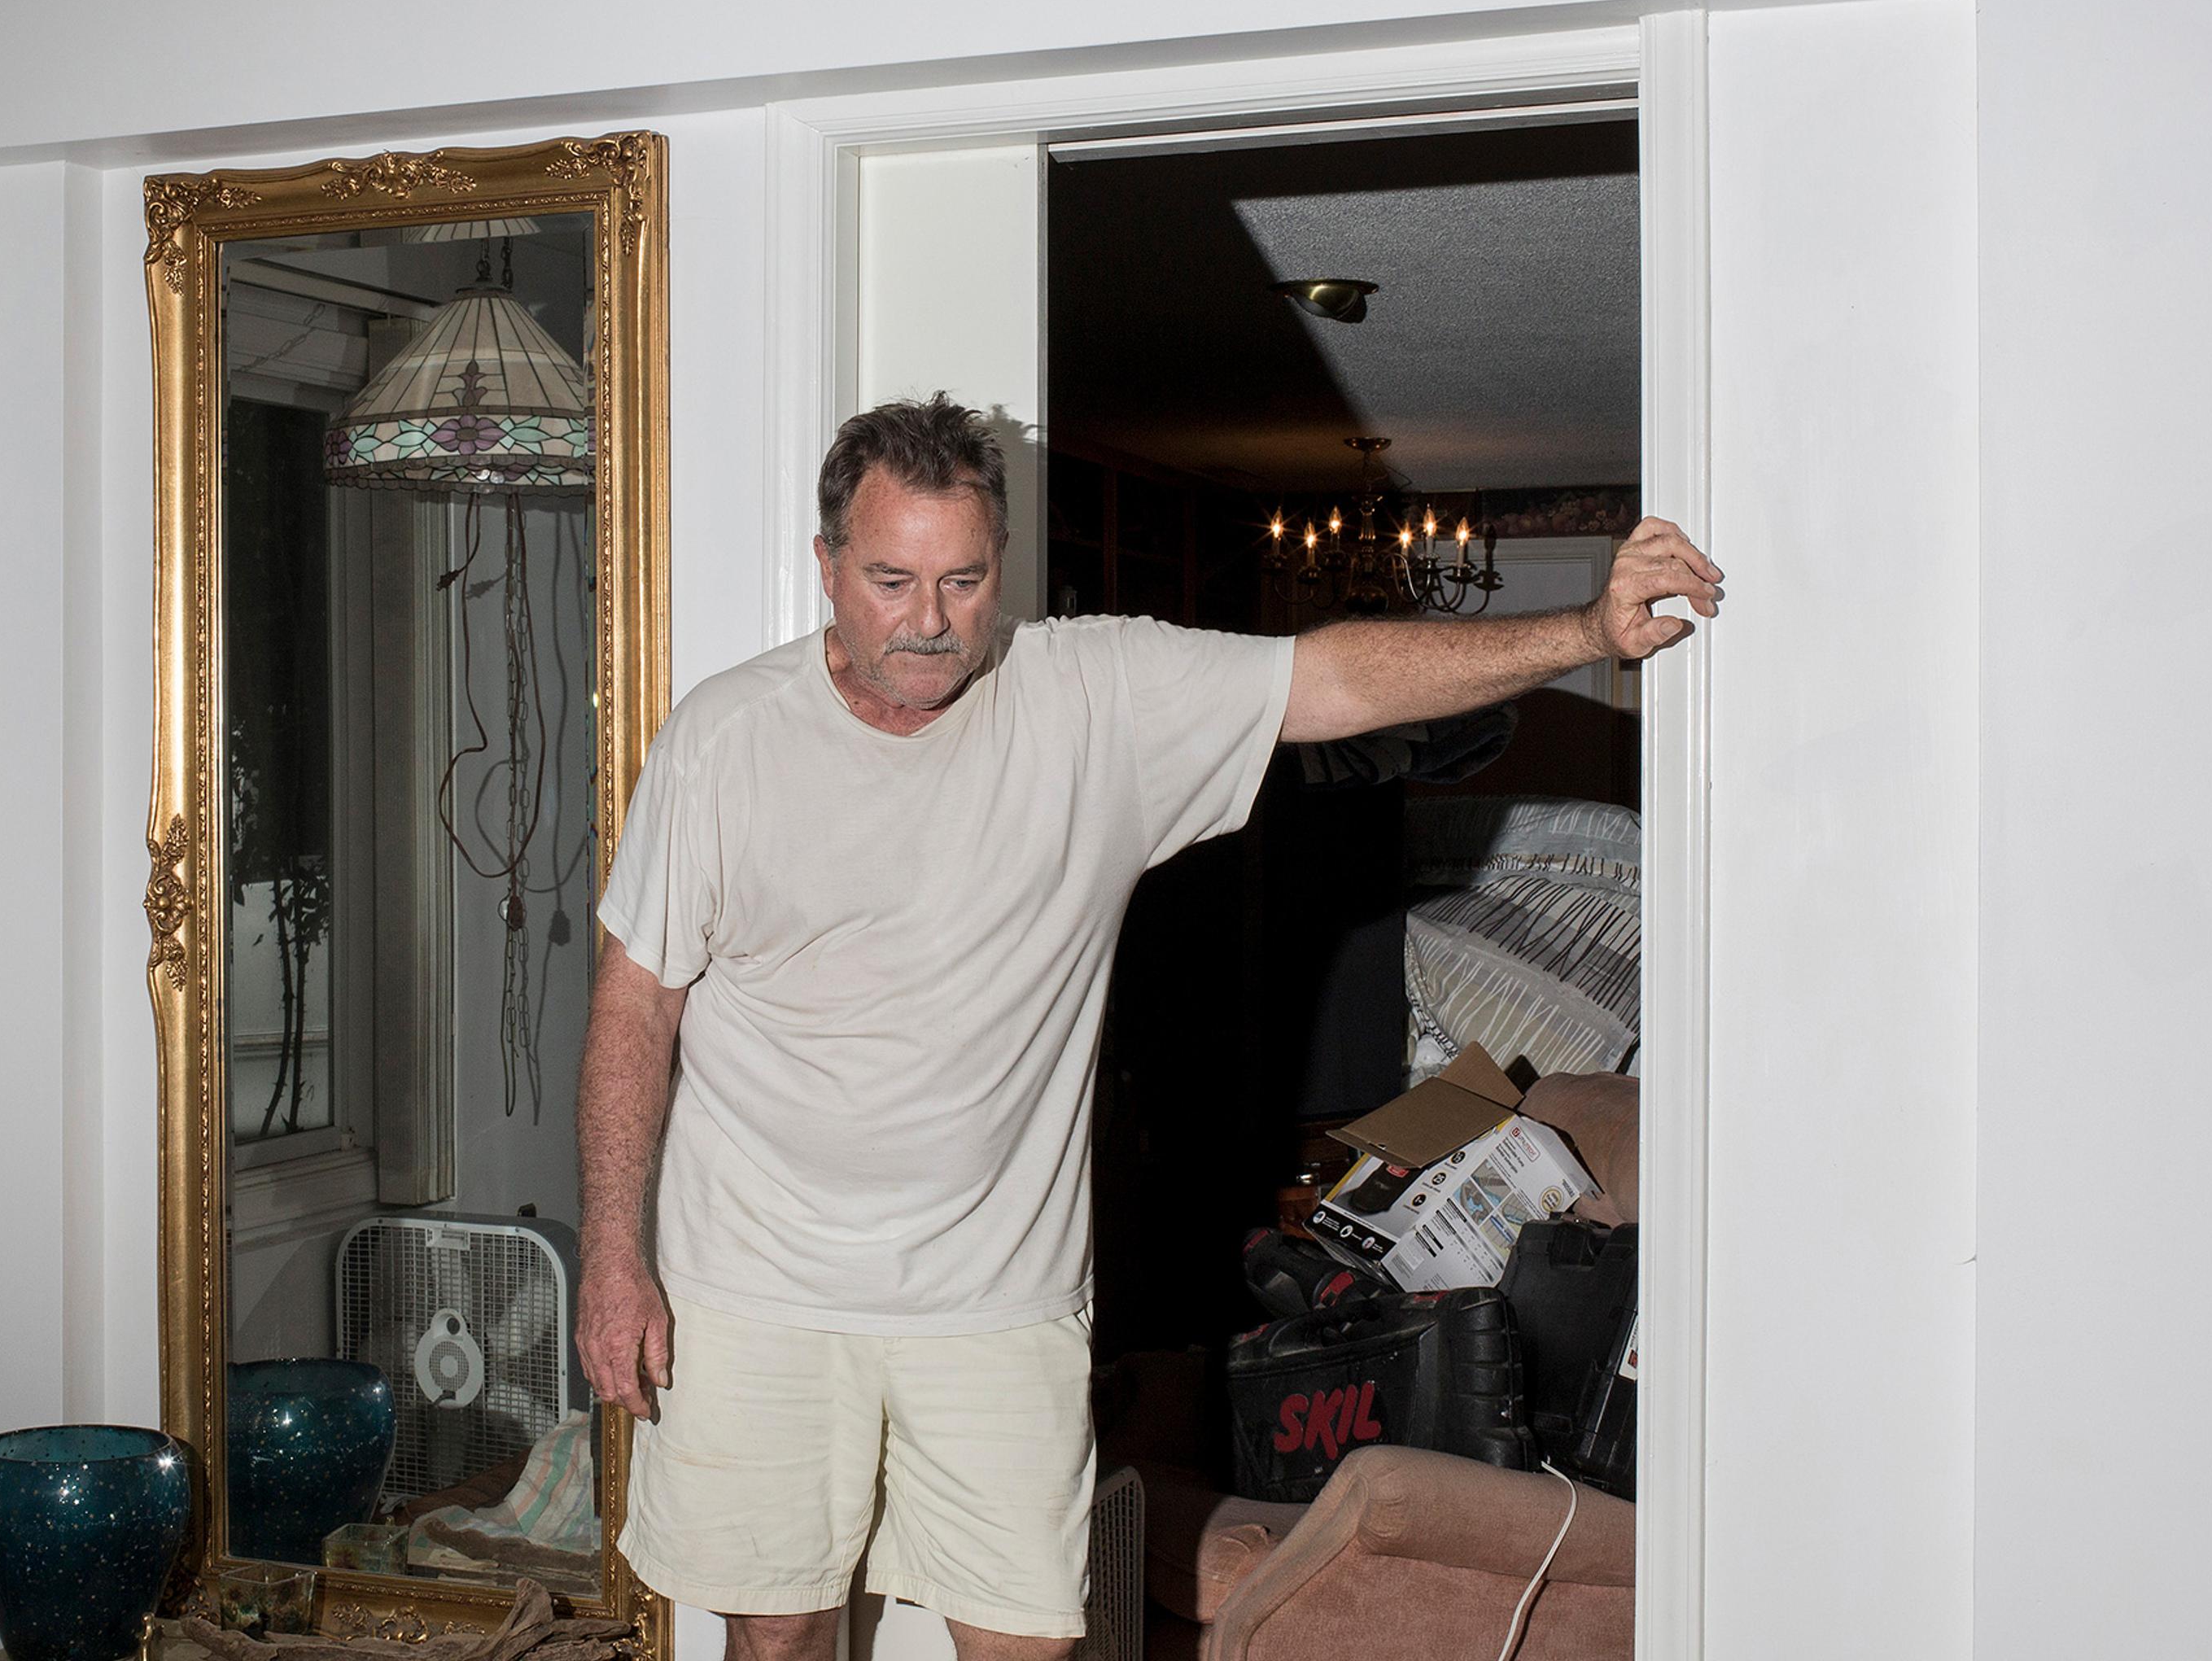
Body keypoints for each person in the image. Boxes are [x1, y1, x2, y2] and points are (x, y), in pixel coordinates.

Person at [577, 396, 1721, 1661]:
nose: (929, 620)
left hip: (996, 1300)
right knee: (778, 1630)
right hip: (755, 1282)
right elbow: (636, 1004)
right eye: (891, 580)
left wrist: (1585, 630)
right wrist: (614, 1257)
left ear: (1001, 565)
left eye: (963, 580)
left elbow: (1333, 677)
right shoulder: (727, 740)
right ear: (828, 566)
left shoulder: (1089, 695)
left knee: (1026, 1640)